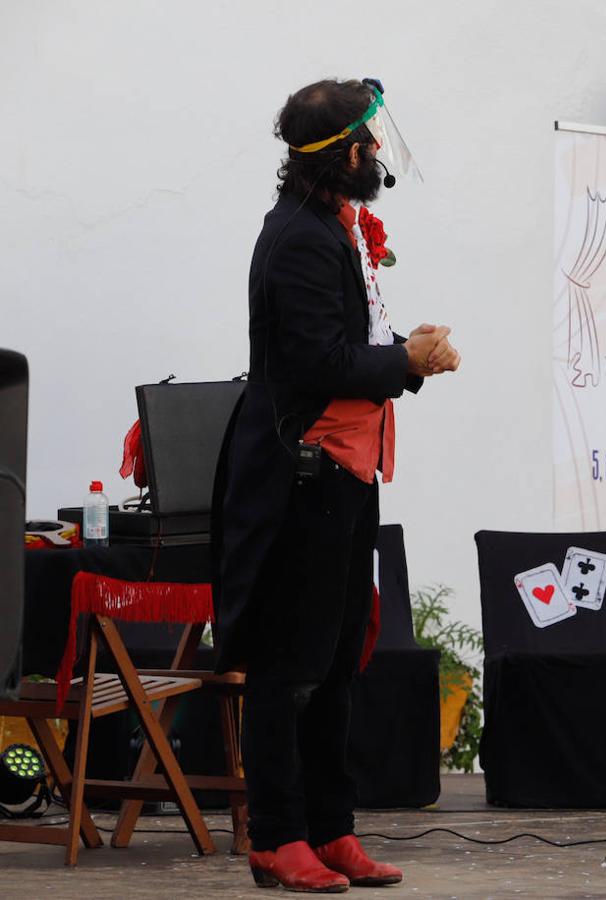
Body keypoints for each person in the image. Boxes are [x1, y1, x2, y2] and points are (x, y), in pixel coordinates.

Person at [213, 78, 458, 892]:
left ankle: (333, 831)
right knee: (292, 668)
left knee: (342, 661)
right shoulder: (299, 241)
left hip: (348, 474)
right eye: (368, 142)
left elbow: (349, 345)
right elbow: (320, 364)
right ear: (341, 155)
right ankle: (277, 838)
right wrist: (408, 363)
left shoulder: (333, 228)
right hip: (303, 479)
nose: (379, 152)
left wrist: (403, 350)